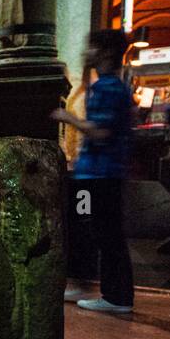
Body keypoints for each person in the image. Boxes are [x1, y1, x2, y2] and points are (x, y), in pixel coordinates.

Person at [51, 29, 135, 314]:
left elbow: (100, 132)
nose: (86, 52)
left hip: (101, 174)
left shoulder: (107, 88)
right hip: (97, 173)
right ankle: (89, 287)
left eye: (91, 47)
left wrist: (67, 118)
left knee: (105, 234)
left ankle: (117, 297)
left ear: (106, 53)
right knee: (91, 230)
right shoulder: (110, 86)